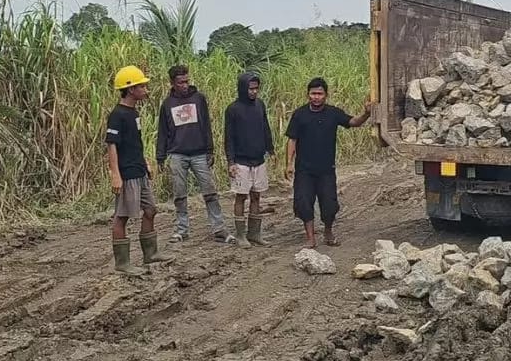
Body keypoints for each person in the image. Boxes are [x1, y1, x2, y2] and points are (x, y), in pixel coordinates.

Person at [285, 78, 372, 249]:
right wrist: (288, 163)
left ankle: (328, 232)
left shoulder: (333, 113)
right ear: (307, 95)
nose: (316, 97)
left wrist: (366, 113)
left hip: (326, 169)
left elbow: (353, 122)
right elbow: (292, 140)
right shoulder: (299, 115)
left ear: (326, 95)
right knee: (303, 202)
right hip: (304, 169)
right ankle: (310, 238)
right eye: (313, 93)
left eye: (320, 94)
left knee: (329, 204)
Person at [106, 66, 175, 276]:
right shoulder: (117, 115)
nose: (146, 89)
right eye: (142, 86)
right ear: (130, 89)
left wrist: (144, 161)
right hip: (127, 173)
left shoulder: (133, 112)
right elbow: (112, 145)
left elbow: (134, 142)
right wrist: (116, 174)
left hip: (139, 170)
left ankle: (150, 253)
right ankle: (122, 263)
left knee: (151, 210)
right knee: (123, 216)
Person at [156, 65, 226, 243]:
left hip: (199, 153)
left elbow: (206, 126)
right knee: (179, 194)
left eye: (187, 81)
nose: (185, 85)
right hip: (177, 154)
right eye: (180, 82)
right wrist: (160, 156)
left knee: (209, 191)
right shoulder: (167, 104)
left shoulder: (198, 99)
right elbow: (163, 131)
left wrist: (210, 150)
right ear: (172, 83)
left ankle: (218, 227)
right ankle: (181, 229)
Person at [224, 71, 274, 248]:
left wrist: (271, 149)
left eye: (256, 88)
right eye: (251, 88)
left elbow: (265, 127)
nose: (254, 92)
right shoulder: (233, 109)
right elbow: (228, 137)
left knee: (256, 196)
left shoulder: (260, 105)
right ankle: (240, 235)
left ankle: (255, 233)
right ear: (243, 88)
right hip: (241, 161)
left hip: (258, 159)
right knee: (240, 197)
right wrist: (230, 162)